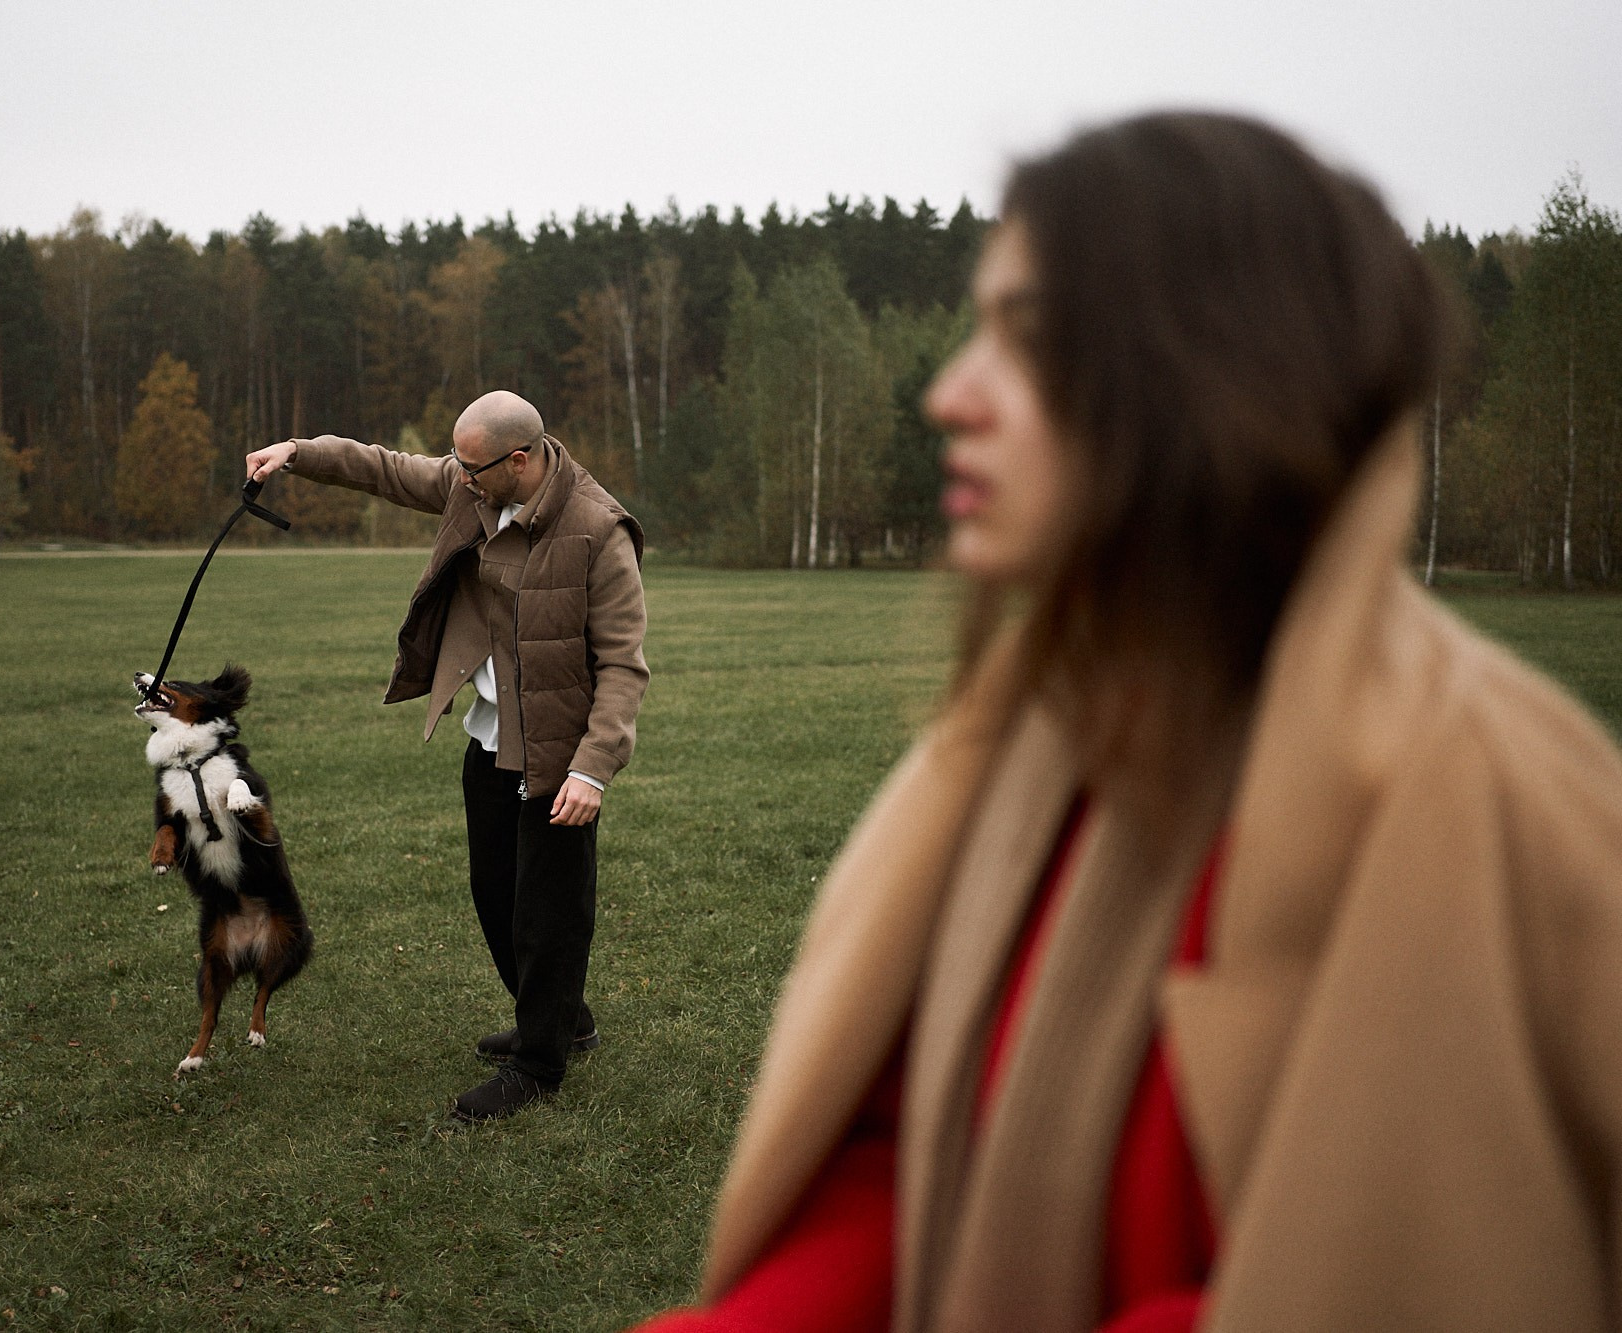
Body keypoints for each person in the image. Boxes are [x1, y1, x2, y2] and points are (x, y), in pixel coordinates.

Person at [632, 112, 1622, 1332]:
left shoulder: (1481, 804)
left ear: (1216, 375)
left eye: (1030, 341)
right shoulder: (1048, 732)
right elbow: (902, 1151)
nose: (949, 394)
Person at [244, 391, 648, 1122]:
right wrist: (297, 454)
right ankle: (564, 1018)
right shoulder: (472, 487)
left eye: (470, 465)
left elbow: (623, 664)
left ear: (517, 461)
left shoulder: (597, 530)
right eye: (456, 462)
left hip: (559, 754)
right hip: (491, 738)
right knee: (495, 896)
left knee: (547, 914)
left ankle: (538, 1063)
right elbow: (387, 469)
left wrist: (593, 768)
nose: (455, 476)